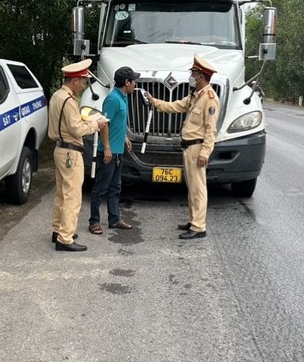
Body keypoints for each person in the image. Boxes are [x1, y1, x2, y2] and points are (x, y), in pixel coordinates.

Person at [146, 54, 219, 239]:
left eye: (193, 73)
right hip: (188, 148)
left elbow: (211, 130)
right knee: (191, 187)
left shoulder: (209, 98)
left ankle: (199, 227)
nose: (191, 77)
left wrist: (205, 152)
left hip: (197, 148)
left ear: (200, 76)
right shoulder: (195, 96)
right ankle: (193, 220)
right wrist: (155, 102)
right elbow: (175, 106)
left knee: (198, 188)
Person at [48, 58, 107, 251]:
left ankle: (58, 230)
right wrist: (95, 124)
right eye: (82, 81)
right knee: (72, 196)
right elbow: (76, 128)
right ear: (74, 81)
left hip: (59, 149)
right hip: (70, 152)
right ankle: (65, 239)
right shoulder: (69, 100)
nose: (83, 86)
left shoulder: (57, 95)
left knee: (61, 194)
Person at [87, 66, 139, 235]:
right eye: (133, 81)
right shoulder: (113, 99)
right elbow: (104, 123)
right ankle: (94, 221)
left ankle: (114, 219)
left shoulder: (123, 97)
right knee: (100, 188)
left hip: (117, 151)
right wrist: (107, 148)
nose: (135, 84)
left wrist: (124, 137)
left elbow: (119, 121)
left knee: (115, 187)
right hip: (108, 152)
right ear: (127, 82)